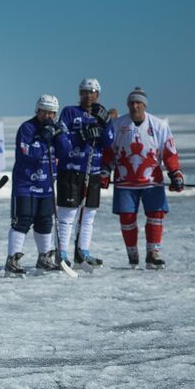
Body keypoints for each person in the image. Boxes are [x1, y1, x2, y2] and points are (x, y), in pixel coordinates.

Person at [105, 87, 182, 269]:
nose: (135, 106)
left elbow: (169, 153)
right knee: (127, 217)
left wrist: (175, 172)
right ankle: (132, 253)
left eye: (138, 102)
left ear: (144, 105)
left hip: (151, 181)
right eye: (132, 102)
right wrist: (105, 171)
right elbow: (108, 151)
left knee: (156, 215)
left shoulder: (159, 126)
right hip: (125, 182)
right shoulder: (117, 125)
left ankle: (153, 253)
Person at [6, 95, 72, 275]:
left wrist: (58, 135)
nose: (48, 116)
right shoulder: (27, 128)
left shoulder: (56, 128)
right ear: (38, 111)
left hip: (47, 184)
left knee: (45, 221)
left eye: (52, 113)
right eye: (45, 112)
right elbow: (29, 153)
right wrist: (43, 138)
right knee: (23, 220)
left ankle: (44, 257)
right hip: (26, 184)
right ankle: (12, 259)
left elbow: (66, 151)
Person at [55, 78, 114, 268]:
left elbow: (108, 142)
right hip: (71, 169)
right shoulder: (69, 112)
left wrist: (105, 124)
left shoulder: (101, 114)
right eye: (84, 92)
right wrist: (80, 135)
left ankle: (83, 252)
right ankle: (61, 253)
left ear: (98, 94)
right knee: (68, 213)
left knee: (88, 214)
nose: (88, 96)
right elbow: (61, 137)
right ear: (80, 94)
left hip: (93, 170)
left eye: (92, 92)